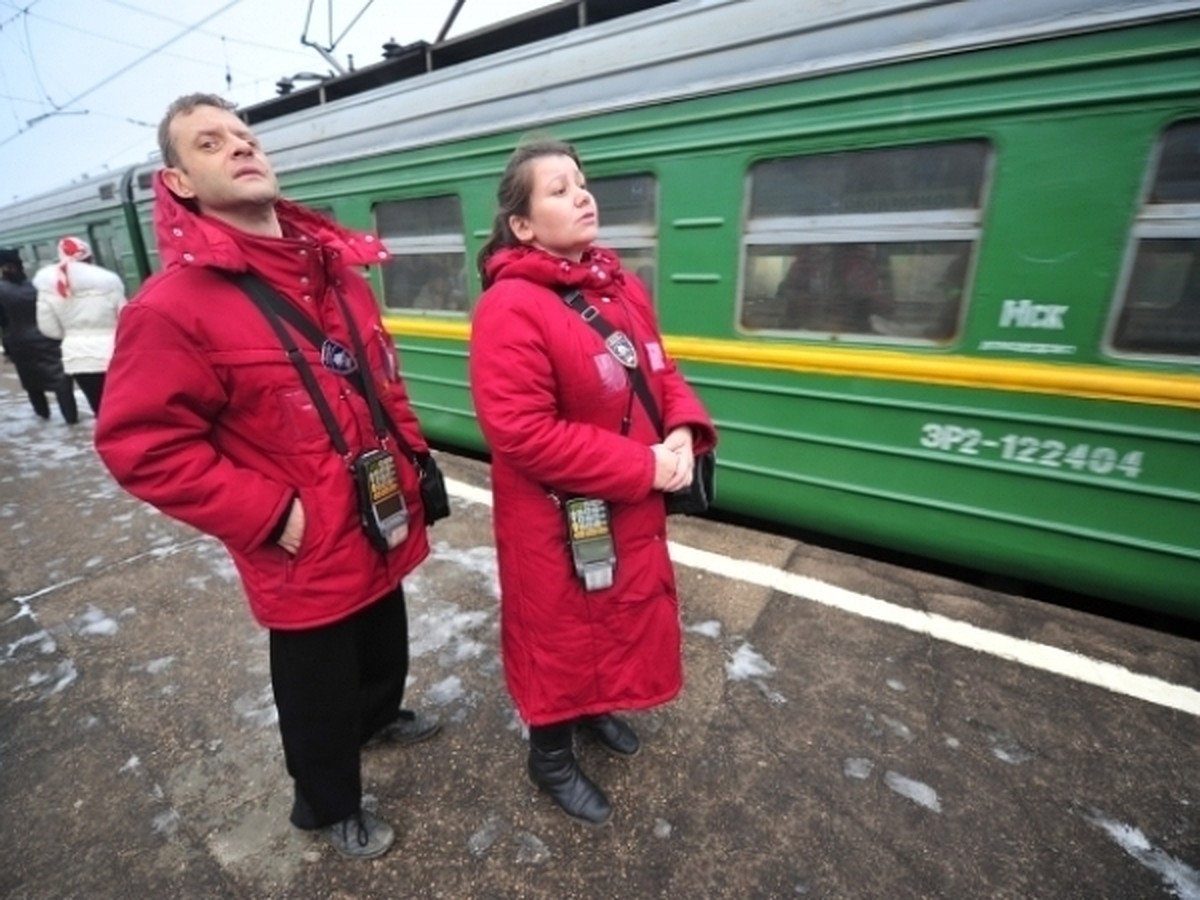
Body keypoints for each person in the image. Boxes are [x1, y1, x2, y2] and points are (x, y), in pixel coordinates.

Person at [93, 93, 441, 860]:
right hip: (304, 538)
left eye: (246, 137)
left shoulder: (337, 273)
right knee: (316, 685)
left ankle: (379, 717)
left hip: (377, 510)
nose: (241, 149)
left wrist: (414, 460)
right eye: (211, 144)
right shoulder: (171, 308)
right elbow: (139, 445)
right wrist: (268, 514)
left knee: (384, 631)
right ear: (179, 182)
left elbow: (383, 383)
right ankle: (325, 802)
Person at [468, 138, 717, 826]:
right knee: (561, 632)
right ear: (522, 225)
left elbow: (663, 372)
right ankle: (549, 754)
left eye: (582, 183)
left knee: (615, 612)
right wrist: (644, 467)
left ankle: (595, 708)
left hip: (624, 506)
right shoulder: (509, 307)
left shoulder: (622, 287)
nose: (582, 195)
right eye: (558, 189)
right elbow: (520, 430)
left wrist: (681, 431)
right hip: (555, 514)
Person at [32, 236, 127, 415]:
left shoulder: (49, 288)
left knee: (101, 408)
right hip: (115, 353)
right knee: (126, 404)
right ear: (89, 258)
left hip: (78, 359)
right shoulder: (110, 283)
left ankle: (110, 440)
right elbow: (126, 320)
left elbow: (49, 330)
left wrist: (72, 335)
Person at [0, 247, 79, 424]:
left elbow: (3, 322)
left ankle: (43, 417)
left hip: (19, 342)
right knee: (61, 382)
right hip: (49, 337)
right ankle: (71, 419)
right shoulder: (38, 285)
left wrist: (8, 349)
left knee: (32, 383)